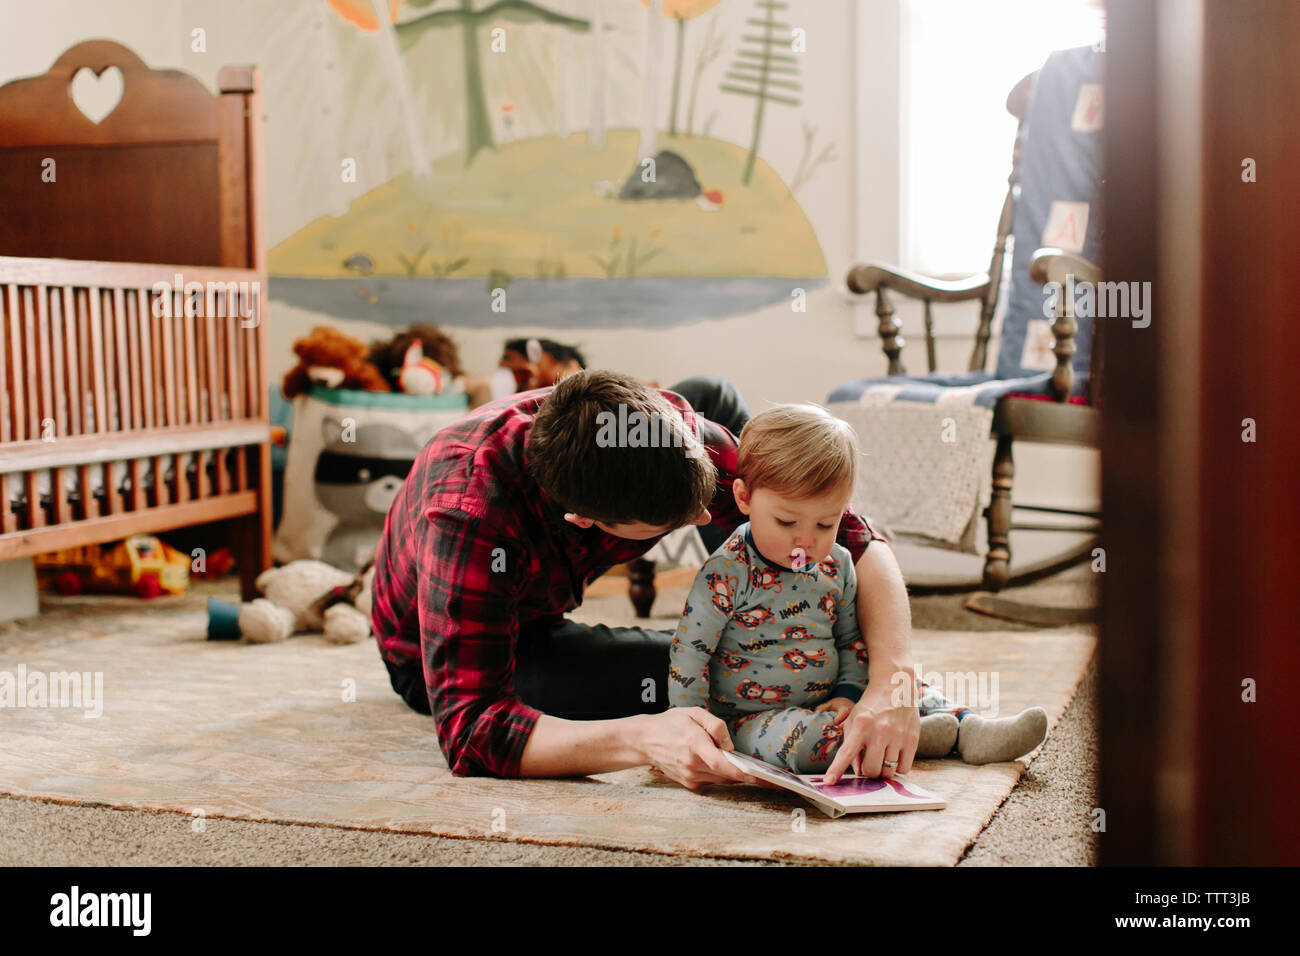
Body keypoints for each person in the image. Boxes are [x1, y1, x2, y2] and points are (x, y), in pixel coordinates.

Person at [369, 369, 927, 790]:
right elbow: (472, 730)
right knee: (719, 673)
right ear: (587, 521)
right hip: (448, 648)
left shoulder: (670, 431)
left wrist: (892, 678)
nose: (710, 523)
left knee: (714, 393)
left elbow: (858, 540)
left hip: (552, 564)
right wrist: (641, 738)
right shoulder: (469, 515)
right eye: (676, 524)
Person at [668, 404, 1049, 776]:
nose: (805, 540)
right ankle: (924, 741)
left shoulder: (838, 563)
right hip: (750, 717)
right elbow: (689, 655)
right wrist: (693, 729)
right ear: (743, 498)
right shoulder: (726, 572)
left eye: (825, 524)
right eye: (786, 521)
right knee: (803, 742)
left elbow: (851, 639)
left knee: (903, 686)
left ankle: (966, 727)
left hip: (836, 695)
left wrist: (850, 696)